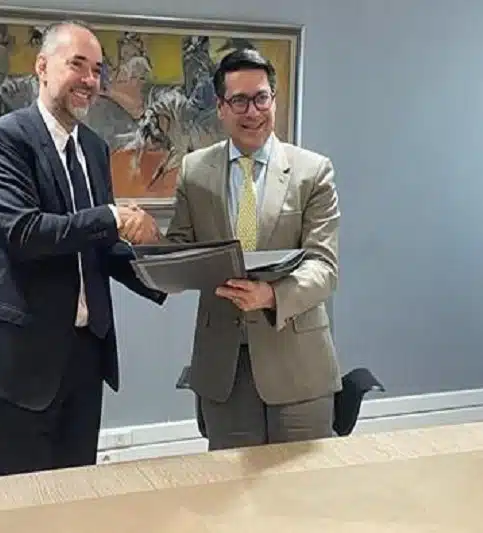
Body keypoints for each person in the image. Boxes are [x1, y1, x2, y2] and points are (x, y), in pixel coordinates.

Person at [0, 20, 165, 476]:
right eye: (78, 65)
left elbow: (98, 246)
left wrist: (164, 272)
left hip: (86, 354)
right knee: (22, 499)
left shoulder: (94, 148)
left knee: (77, 493)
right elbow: (26, 233)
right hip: (25, 356)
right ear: (42, 67)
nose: (90, 80)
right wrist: (112, 216)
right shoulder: (5, 139)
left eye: (97, 70)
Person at [141, 48, 343, 450]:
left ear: (273, 100)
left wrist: (271, 295)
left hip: (297, 360)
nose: (253, 111)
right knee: (231, 483)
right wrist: (149, 240)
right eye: (239, 101)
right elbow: (182, 251)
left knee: (302, 482)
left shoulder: (312, 171)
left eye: (261, 98)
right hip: (224, 365)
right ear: (220, 107)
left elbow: (324, 266)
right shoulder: (194, 171)